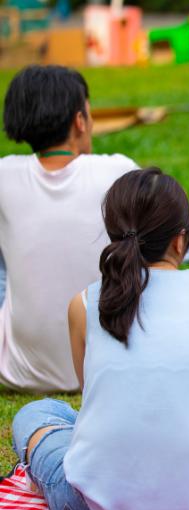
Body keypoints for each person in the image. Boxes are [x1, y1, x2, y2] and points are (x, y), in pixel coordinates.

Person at [11, 169, 189, 510]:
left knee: (38, 414)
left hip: (90, 507)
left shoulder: (84, 304)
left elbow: (94, 405)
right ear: (180, 241)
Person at [0, 65, 137, 393]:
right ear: (79, 121)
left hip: (18, 374)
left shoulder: (4, 175)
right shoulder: (119, 172)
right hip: (105, 370)